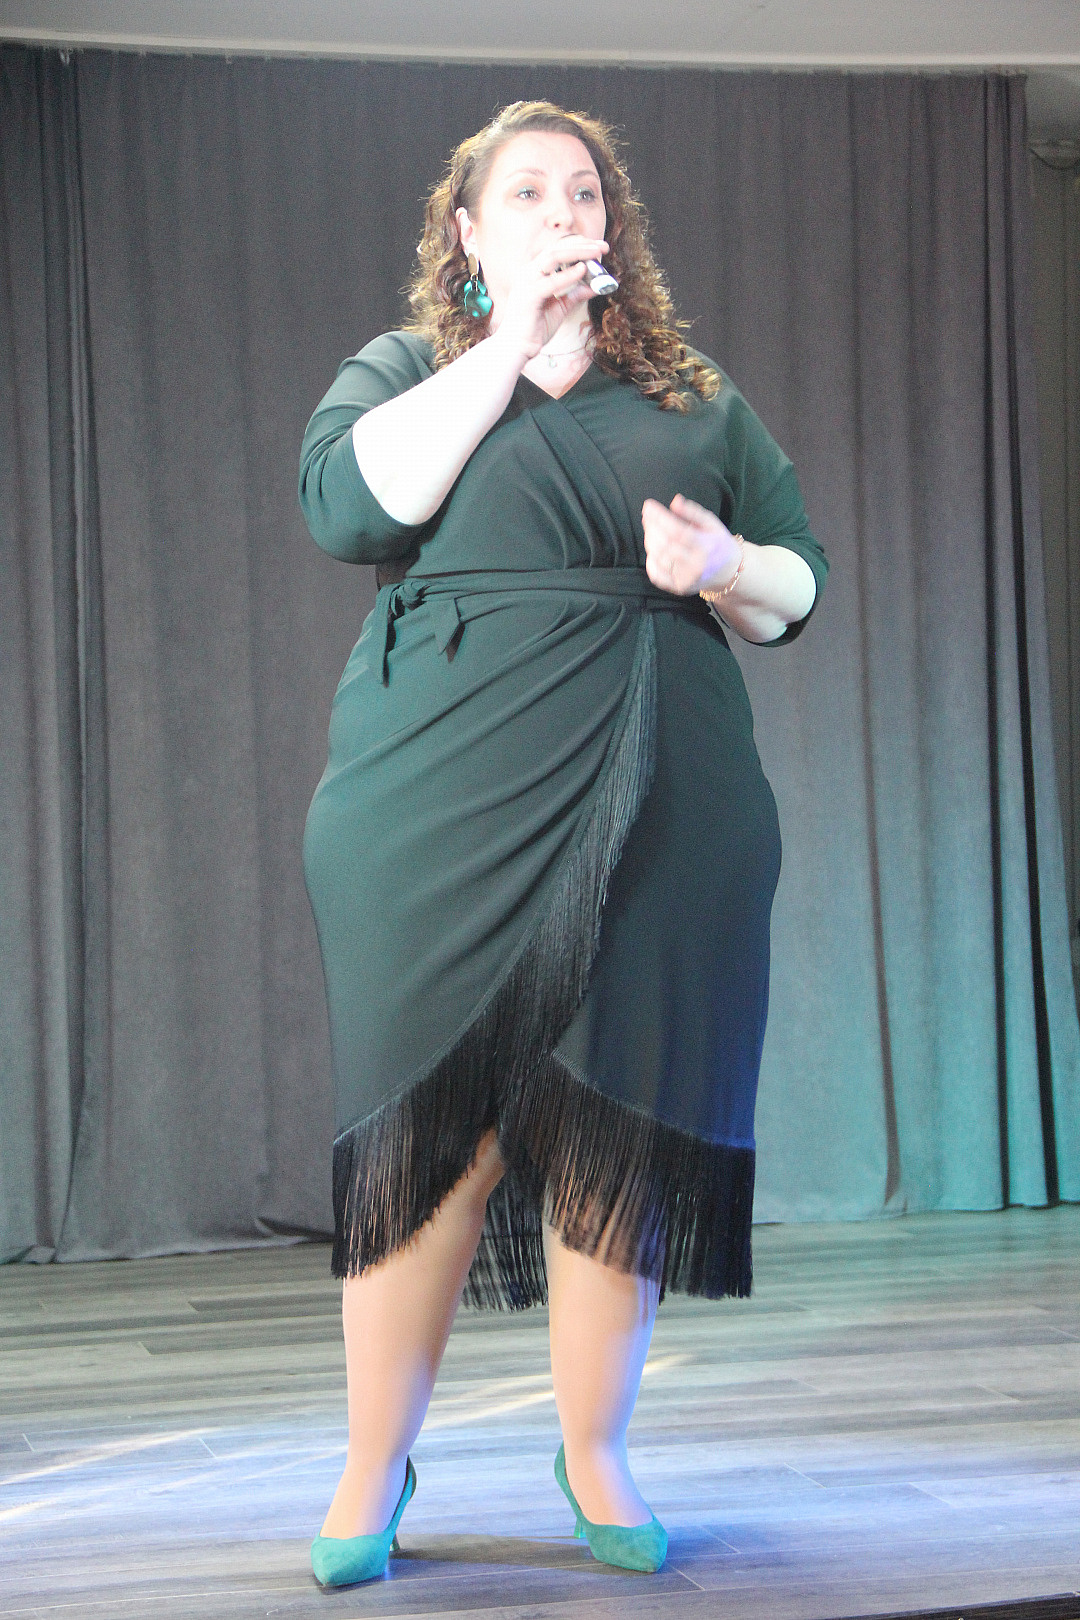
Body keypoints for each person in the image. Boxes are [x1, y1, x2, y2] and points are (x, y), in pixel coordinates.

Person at [298, 99, 827, 1588]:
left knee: (618, 1129)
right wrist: (502, 349)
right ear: (468, 234)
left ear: (614, 225)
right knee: (428, 1138)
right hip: (437, 803)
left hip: (662, 795)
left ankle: (595, 1451)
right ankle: (373, 1462)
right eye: (525, 193)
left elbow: (800, 579)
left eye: (582, 191)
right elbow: (350, 507)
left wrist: (724, 562)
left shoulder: (692, 395)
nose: (561, 211)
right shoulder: (407, 369)